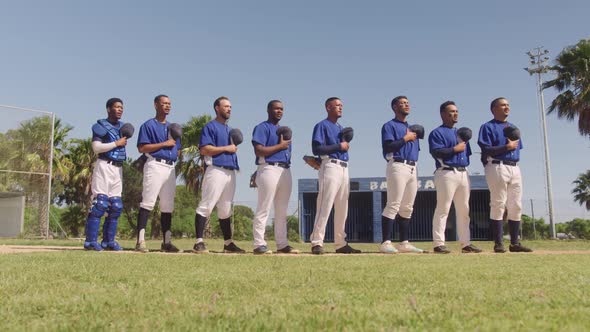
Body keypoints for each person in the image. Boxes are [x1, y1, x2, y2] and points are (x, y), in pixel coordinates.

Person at [478, 97, 532, 253]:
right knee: (498, 203)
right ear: (494, 109)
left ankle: (515, 243)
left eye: (508, 105)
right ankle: (498, 243)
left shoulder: (513, 128)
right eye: (503, 105)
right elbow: (486, 149)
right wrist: (506, 147)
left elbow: (517, 148)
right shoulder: (487, 127)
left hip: (514, 166)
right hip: (497, 165)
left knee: (516, 205)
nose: (507, 107)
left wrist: (510, 147)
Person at [192, 96, 245, 254]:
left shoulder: (230, 130)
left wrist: (230, 149)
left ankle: (228, 243)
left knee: (225, 209)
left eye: (230, 107)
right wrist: (226, 148)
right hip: (215, 169)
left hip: (230, 171)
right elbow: (204, 149)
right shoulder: (210, 126)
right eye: (226, 106)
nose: (229, 109)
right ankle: (198, 242)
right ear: (217, 108)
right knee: (206, 205)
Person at [428, 101, 482, 254]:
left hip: (463, 172)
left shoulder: (461, 133)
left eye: (457, 111)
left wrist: (460, 149)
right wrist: (454, 149)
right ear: (443, 114)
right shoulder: (437, 132)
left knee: (464, 209)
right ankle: (438, 244)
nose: (455, 113)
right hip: (446, 172)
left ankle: (466, 243)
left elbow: (467, 155)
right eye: (451, 111)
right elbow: (436, 152)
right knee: (443, 208)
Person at [309, 97, 361, 255]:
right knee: (325, 204)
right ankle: (317, 242)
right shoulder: (322, 125)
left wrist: (343, 145)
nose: (340, 108)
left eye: (341, 106)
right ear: (328, 107)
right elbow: (316, 149)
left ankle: (340, 243)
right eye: (337, 105)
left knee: (342, 207)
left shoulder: (341, 128)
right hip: (330, 165)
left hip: (344, 167)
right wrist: (339, 146)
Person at [251, 100, 299, 254]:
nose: (279, 111)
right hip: (269, 168)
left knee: (281, 210)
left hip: (285, 170)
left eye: (282, 109)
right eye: (276, 108)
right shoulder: (262, 127)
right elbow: (259, 151)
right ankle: (259, 243)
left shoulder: (284, 131)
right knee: (264, 207)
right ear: (268, 110)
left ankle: (282, 244)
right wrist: (280, 146)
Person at [135, 94, 181, 253]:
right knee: (147, 202)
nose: (167, 106)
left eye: (169, 103)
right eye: (164, 103)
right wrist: (164, 144)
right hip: (155, 164)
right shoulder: (148, 125)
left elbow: (177, 148)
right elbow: (142, 148)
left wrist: (175, 150)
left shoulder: (173, 127)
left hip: (170, 167)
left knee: (167, 206)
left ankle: (166, 242)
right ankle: (140, 241)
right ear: (156, 105)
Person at [380, 96, 425, 254]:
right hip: (397, 164)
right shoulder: (389, 125)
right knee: (393, 204)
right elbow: (388, 147)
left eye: (407, 103)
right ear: (394, 107)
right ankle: (385, 242)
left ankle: (404, 242)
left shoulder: (413, 128)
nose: (406, 105)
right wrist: (405, 138)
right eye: (402, 103)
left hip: (413, 167)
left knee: (407, 207)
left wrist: (410, 136)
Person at [83, 98, 128, 251]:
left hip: (118, 168)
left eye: (121, 107)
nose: (120, 109)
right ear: (109, 109)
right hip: (104, 165)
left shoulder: (123, 128)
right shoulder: (101, 126)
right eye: (116, 107)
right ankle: (90, 241)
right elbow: (96, 148)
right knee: (100, 203)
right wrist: (116, 144)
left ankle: (109, 241)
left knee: (116, 205)